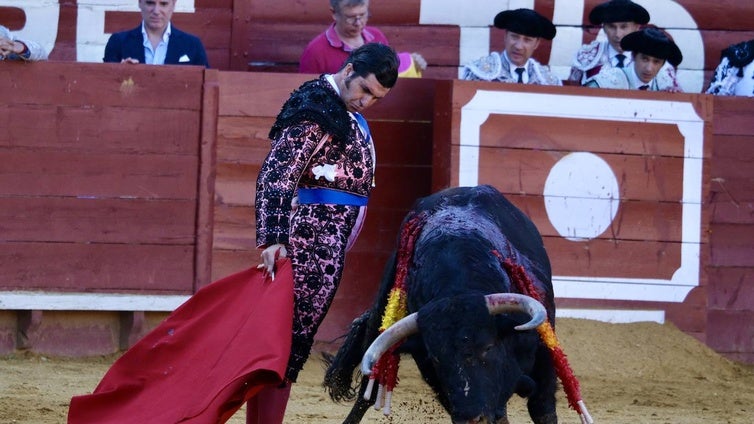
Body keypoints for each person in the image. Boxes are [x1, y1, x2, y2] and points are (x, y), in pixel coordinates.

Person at [249, 42, 399, 424]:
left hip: (324, 243)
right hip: (308, 242)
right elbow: (277, 173)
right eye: (365, 89)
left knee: (291, 343)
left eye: (376, 98)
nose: (367, 102)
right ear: (348, 70)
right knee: (286, 343)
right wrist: (274, 237)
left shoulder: (337, 108)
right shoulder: (317, 108)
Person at [568, 0, 681, 88]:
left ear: (636, 27)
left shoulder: (655, 59)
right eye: (612, 27)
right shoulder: (587, 56)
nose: (618, 34)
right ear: (604, 28)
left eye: (624, 27)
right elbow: (572, 92)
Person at [299, 0, 425, 75]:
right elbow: (305, 96)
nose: (358, 23)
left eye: (363, 15)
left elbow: (389, 73)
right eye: (350, 17)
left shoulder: (377, 37)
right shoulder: (315, 51)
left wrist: (412, 63)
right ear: (334, 13)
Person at [460, 8, 561, 85]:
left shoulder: (548, 81)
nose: (519, 46)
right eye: (514, 37)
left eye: (527, 40)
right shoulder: (479, 72)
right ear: (505, 36)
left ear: (536, 44)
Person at [103, 0, 209, 67]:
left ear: (173, 4)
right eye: (150, 3)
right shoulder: (118, 42)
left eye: (163, 4)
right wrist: (119, 73)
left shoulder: (192, 45)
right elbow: (105, 87)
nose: (156, 11)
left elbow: (205, 86)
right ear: (140, 3)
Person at [584, 27, 683, 91]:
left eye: (656, 62)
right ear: (634, 56)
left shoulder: (665, 84)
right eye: (645, 59)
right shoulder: (607, 81)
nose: (649, 68)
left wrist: (673, 98)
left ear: (662, 64)